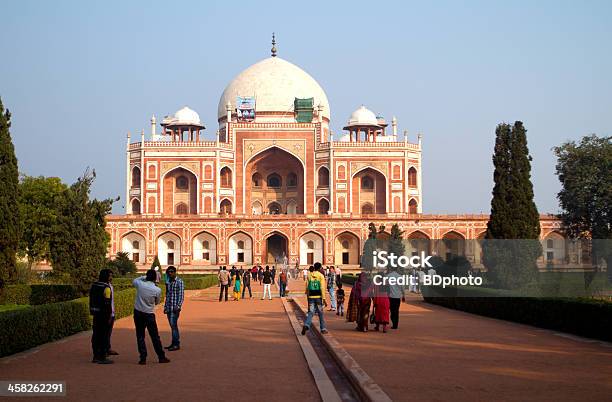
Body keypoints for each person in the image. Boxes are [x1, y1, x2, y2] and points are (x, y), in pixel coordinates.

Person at [133, 270, 170, 365]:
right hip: (149, 314)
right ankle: (161, 357)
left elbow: (135, 280)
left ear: (147, 277)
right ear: (155, 278)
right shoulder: (157, 290)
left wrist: (144, 277)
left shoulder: (140, 284)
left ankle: (143, 358)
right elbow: (157, 302)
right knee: (155, 336)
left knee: (140, 336)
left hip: (138, 313)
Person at [89, 269, 114, 364]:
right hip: (104, 315)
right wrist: (109, 316)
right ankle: (102, 356)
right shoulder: (106, 288)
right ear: (106, 277)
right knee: (104, 335)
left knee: (95, 335)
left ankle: (95, 355)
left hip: (96, 313)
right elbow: (107, 304)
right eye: (110, 276)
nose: (111, 278)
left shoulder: (94, 285)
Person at [301, 263, 328, 335]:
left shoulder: (309, 275)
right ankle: (323, 328)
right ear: (319, 268)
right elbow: (322, 288)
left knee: (310, 312)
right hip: (318, 297)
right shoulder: (321, 276)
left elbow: (307, 286)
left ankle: (306, 325)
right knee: (320, 313)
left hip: (311, 297)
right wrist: (324, 299)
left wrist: (307, 295)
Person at [164, 266, 184, 351]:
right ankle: (173, 343)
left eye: (172, 272)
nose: (170, 273)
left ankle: (176, 344)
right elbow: (168, 295)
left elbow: (181, 295)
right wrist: (165, 307)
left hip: (175, 308)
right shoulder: (168, 282)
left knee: (174, 326)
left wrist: (178, 306)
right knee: (172, 326)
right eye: (169, 272)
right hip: (169, 307)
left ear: (175, 272)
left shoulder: (179, 282)